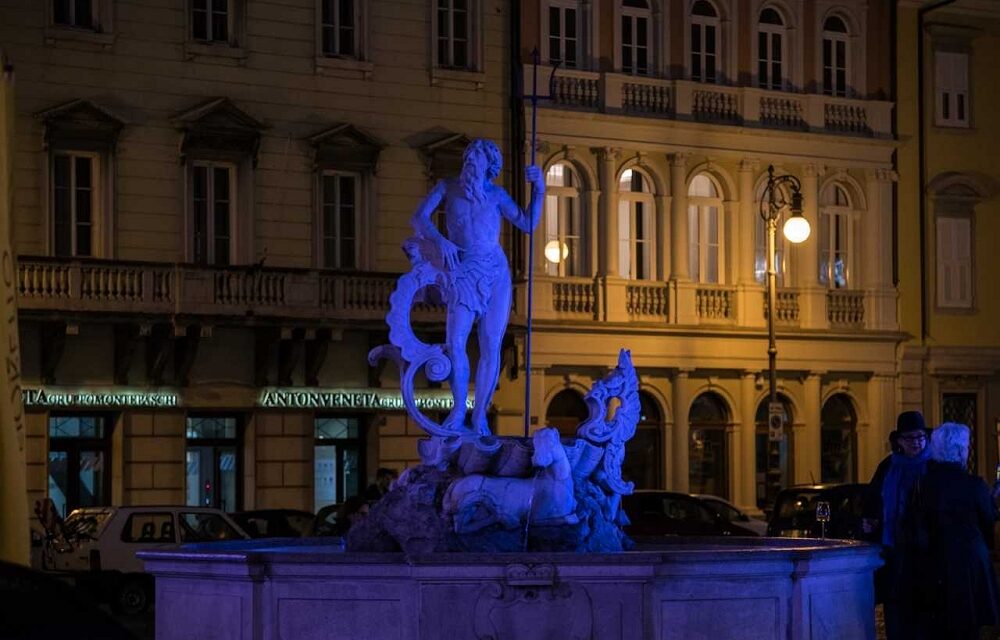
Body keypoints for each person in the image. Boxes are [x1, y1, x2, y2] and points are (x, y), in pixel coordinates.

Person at [411, 139, 545, 434]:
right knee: (455, 341)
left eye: (476, 158)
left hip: (496, 274)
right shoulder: (448, 187)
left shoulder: (496, 195)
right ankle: (459, 411)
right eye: (467, 157)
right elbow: (418, 217)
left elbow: (527, 222)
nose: (470, 162)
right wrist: (439, 239)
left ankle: (480, 415)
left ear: (489, 165)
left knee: (491, 344)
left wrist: (540, 190)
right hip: (463, 271)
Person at [914, 422, 1000, 639]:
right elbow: (988, 520)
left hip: (934, 562)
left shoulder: (923, 484)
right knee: (968, 626)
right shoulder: (974, 485)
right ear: (961, 450)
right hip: (969, 562)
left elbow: (916, 522)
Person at [861, 410, 932, 640]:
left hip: (924, 550)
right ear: (900, 441)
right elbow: (872, 499)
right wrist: (871, 521)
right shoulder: (888, 467)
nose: (917, 443)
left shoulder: (933, 467)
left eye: (921, 437)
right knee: (896, 609)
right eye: (911, 438)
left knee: (923, 613)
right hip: (894, 550)